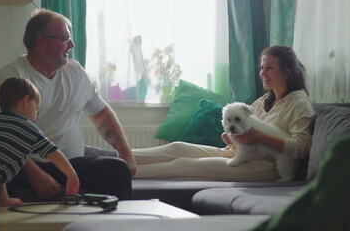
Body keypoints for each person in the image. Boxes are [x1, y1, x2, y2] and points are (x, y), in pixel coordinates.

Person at [0, 8, 134, 201]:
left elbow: (100, 112)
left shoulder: (76, 72)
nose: (71, 44)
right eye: (65, 39)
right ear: (41, 42)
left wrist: (125, 152)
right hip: (27, 166)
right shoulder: (13, 76)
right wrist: (35, 174)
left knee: (117, 169)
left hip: (73, 164)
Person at [132, 45, 315, 181]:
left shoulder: (298, 102)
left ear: (287, 71)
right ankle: (111, 158)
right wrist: (233, 141)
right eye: (261, 68)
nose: (262, 73)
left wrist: (259, 137)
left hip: (268, 166)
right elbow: (247, 139)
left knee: (183, 165)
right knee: (177, 148)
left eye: (269, 68)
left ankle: (117, 172)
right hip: (240, 155)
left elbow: (302, 147)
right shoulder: (261, 102)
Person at [0, 77, 80, 231]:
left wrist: (4, 199)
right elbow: (53, 153)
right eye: (36, 109)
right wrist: (72, 175)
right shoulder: (26, 126)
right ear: (25, 101)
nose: (35, 116)